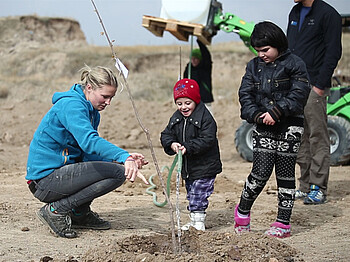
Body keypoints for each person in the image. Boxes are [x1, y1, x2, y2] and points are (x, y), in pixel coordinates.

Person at [26, 65, 149, 238]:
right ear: (89, 88)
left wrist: (121, 160)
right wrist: (123, 156)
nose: (108, 102)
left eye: (111, 97)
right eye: (105, 96)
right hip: (44, 181)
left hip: (60, 175)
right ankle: (56, 210)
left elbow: (88, 153)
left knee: (114, 170)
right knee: (116, 174)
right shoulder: (71, 105)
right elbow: (89, 142)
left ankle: (79, 213)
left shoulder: (92, 111)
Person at [235, 21, 310, 238]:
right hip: (262, 126)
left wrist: (276, 112)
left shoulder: (296, 64)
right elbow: (245, 94)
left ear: (278, 44)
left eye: (265, 50)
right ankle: (242, 212)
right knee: (260, 173)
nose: (261, 54)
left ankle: (283, 223)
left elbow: (299, 94)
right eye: (257, 50)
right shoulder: (252, 66)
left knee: (285, 175)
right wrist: (257, 115)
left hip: (290, 126)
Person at [287, 0, 342, 205]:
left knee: (317, 135)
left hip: (314, 85)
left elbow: (333, 52)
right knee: (300, 135)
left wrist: (320, 84)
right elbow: (289, 49)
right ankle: (305, 185)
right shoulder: (294, 11)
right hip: (295, 86)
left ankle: (318, 187)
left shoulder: (329, 14)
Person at [160, 78, 222, 231]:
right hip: (189, 167)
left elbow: (207, 140)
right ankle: (194, 220)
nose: (183, 107)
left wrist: (188, 147)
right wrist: (172, 144)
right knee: (191, 192)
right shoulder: (176, 118)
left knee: (199, 193)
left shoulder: (206, 118)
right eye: (179, 103)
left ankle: (198, 222)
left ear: (195, 100)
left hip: (205, 166)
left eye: (187, 103)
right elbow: (166, 134)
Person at [183, 38, 214, 112]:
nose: (193, 61)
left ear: (200, 59)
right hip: (192, 101)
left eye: (196, 59)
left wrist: (200, 41)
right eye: (192, 58)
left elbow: (206, 56)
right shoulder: (189, 68)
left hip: (205, 101)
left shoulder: (205, 67)